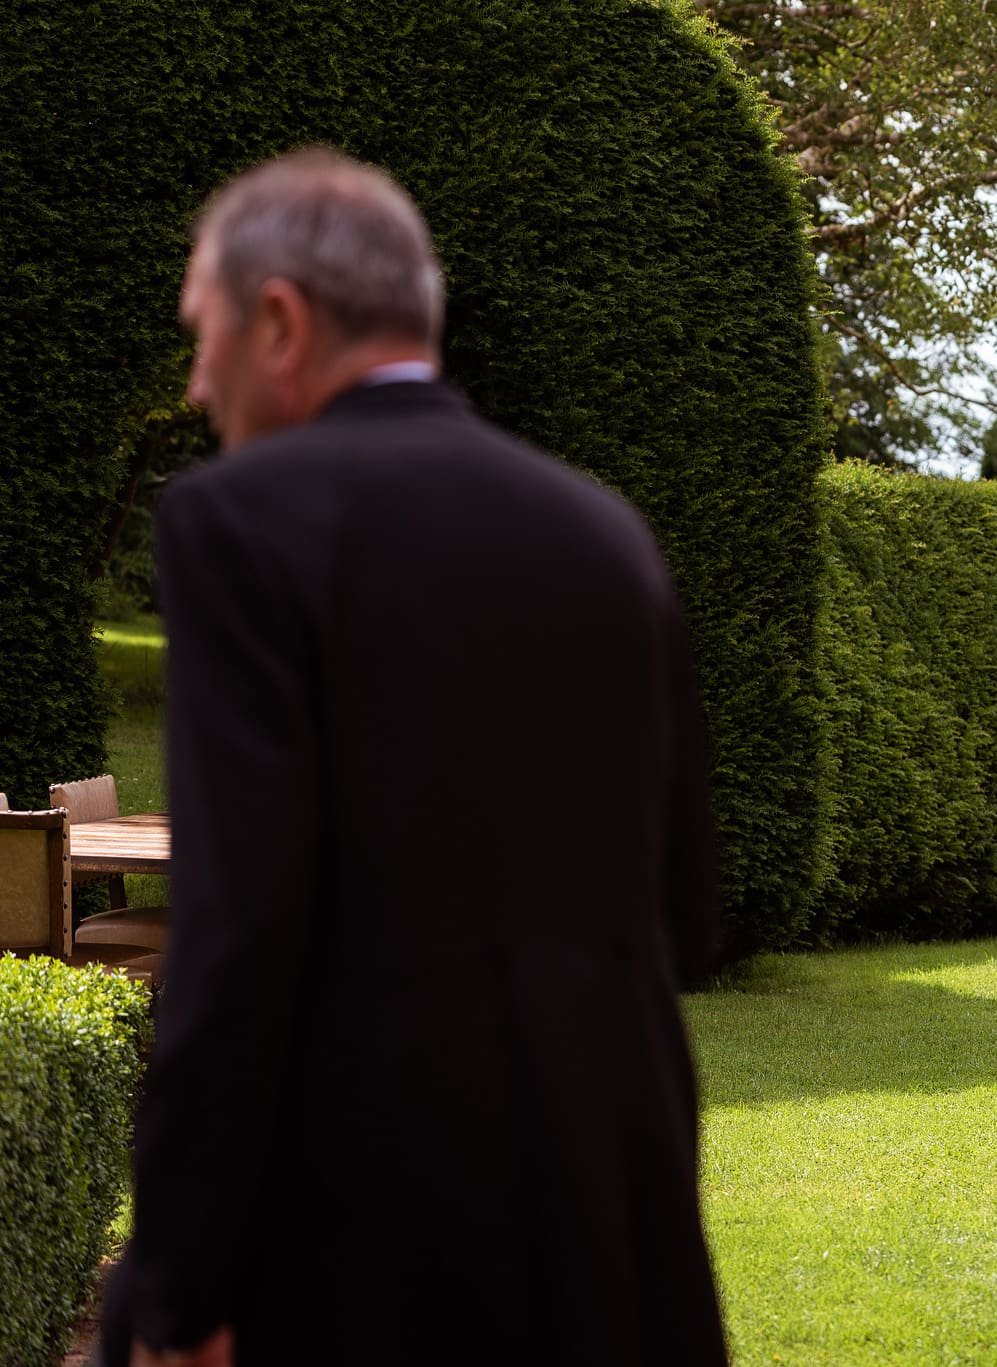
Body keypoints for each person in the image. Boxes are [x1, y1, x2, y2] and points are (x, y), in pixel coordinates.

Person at [99, 149, 728, 1366]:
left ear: (277, 320)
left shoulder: (242, 518)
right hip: (616, 1216)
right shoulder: (605, 531)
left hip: (359, 1241)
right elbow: (684, 910)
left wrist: (178, 1283)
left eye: (202, 335)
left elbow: (237, 929)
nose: (194, 383)